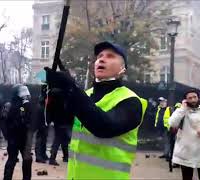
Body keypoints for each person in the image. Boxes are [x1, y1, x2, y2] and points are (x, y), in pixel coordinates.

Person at [44, 41, 147, 179]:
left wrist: (71, 89)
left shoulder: (131, 101)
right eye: (99, 56)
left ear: (123, 69)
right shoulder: (86, 94)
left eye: (110, 56)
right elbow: (62, 122)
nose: (102, 59)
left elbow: (104, 127)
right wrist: (54, 98)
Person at [169, 89, 200, 180]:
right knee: (187, 177)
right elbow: (172, 123)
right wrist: (183, 109)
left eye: (195, 97)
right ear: (186, 100)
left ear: (198, 97)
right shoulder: (181, 110)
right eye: (190, 98)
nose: (193, 100)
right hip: (186, 152)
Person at [3, 84, 33, 180]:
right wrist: (8, 136)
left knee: (27, 160)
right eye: (22, 92)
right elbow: (4, 122)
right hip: (14, 138)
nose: (25, 95)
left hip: (24, 138)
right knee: (12, 159)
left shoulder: (26, 105)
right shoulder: (9, 105)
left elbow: (29, 119)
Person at [46, 88, 74, 166]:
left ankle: (65, 156)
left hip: (57, 120)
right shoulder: (68, 94)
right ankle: (54, 158)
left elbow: (50, 108)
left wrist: (50, 119)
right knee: (61, 139)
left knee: (61, 138)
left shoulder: (53, 93)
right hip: (66, 120)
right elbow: (70, 108)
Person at [33, 87, 49, 163]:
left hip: (43, 122)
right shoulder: (41, 104)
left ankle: (42, 154)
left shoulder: (43, 102)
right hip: (41, 123)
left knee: (44, 138)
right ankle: (39, 156)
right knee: (40, 139)